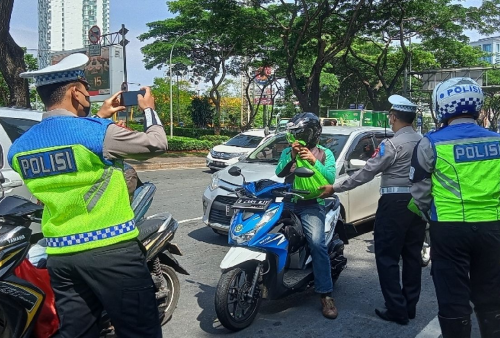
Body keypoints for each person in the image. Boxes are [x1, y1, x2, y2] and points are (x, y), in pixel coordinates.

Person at [8, 53, 167, 338]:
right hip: (111, 251)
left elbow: (66, 152)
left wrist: (100, 116)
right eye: (85, 88)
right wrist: (149, 110)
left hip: (61, 255)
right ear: (76, 91)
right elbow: (157, 143)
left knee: (79, 333)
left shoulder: (19, 147)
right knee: (140, 330)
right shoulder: (97, 133)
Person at [318, 95, 426, 325]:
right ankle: (410, 305)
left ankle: (397, 309)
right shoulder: (424, 141)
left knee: (387, 257)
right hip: (417, 203)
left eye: (390, 116)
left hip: (394, 204)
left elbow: (366, 172)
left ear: (394, 117)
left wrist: (335, 187)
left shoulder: (392, 144)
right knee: (412, 256)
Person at [410, 77, 500, 338]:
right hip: (493, 229)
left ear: (442, 107)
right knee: (492, 297)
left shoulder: (430, 142)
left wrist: (430, 215)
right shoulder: (496, 140)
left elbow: (419, 189)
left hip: (449, 231)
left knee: (453, 299)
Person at [275, 112, 338, 319]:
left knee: (317, 244)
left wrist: (313, 161)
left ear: (310, 133)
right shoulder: (288, 151)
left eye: (299, 133)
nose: (295, 138)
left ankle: (326, 295)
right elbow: (279, 173)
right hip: (288, 203)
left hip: (312, 205)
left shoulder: (324, 153)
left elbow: (330, 179)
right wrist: (292, 157)